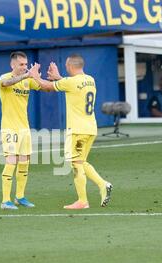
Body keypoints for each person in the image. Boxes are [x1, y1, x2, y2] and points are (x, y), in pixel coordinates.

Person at [28, 54, 112, 209]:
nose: (66, 68)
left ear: (71, 66)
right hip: (91, 128)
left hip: (77, 130)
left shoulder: (71, 82)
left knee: (76, 163)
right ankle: (103, 185)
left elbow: (47, 87)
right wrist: (58, 77)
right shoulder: (90, 79)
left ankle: (83, 200)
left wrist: (34, 77)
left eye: (67, 66)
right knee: (81, 161)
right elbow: (70, 84)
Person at [0, 51, 41, 210]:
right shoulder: (4, 77)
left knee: (24, 162)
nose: (24, 67)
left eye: (25, 64)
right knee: (11, 162)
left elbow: (43, 87)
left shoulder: (27, 80)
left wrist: (42, 77)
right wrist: (26, 76)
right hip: (9, 128)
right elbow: (7, 84)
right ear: (13, 65)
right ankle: (5, 200)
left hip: (24, 128)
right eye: (21, 64)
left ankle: (20, 197)